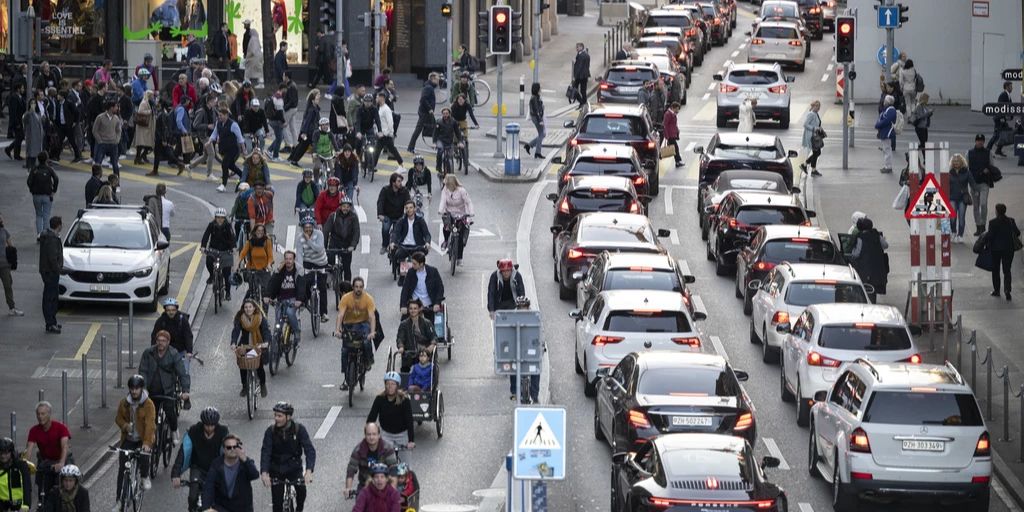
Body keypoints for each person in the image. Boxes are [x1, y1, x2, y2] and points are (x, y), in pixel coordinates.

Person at [260, 402, 315, 512]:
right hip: (276, 469)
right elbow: (266, 452)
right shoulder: (270, 432)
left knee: (301, 490)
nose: (276, 418)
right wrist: (264, 473)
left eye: (279, 416)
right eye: (275, 415)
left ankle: (299, 509)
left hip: (294, 468)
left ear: (288, 417)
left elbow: (309, 450)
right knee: (277, 505)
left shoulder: (299, 429)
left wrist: (309, 471)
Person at [138, 330, 191, 444]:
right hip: (152, 390)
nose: (161, 343)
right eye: (159, 340)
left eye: (164, 341)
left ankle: (174, 430)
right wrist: (144, 388)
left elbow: (182, 373)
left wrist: (185, 390)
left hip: (167, 390)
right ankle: (151, 436)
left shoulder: (173, 354)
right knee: (151, 414)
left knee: (170, 412)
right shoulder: (148, 353)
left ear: (168, 342)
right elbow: (143, 370)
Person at [171, 407, 227, 512]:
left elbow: (230, 454)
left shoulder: (223, 433)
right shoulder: (194, 431)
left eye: (212, 425)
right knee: (193, 495)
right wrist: (175, 474)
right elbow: (183, 453)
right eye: (207, 425)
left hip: (216, 470)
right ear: (203, 423)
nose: (209, 428)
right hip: (198, 468)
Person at [114, 374, 155, 508]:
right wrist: (125, 426)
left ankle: (144, 477)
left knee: (144, 455)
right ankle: (119, 501)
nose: (134, 391)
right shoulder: (124, 403)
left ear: (141, 389)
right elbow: (118, 419)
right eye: (132, 388)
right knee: (122, 469)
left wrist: (147, 443)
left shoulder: (148, 404)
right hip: (129, 439)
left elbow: (150, 425)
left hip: (142, 439)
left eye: (137, 388)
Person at [23, 401, 70, 505]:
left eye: (43, 414)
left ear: (49, 414)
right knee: (42, 487)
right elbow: (29, 448)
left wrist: (61, 463)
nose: (40, 416)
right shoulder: (34, 430)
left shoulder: (61, 428)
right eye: (38, 414)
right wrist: (25, 463)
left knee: (65, 485)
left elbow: (65, 447)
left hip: (60, 460)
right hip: (46, 462)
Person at [335, 276, 377, 390]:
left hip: (363, 324)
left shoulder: (368, 299)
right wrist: (337, 330)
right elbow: (340, 315)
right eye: (356, 287)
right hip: (348, 325)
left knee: (366, 342)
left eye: (361, 287)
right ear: (352, 287)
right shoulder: (346, 298)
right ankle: (346, 377)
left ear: (363, 288)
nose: (358, 289)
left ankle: (368, 360)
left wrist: (372, 332)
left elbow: (372, 317)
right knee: (345, 350)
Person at [202, 434, 259, 512]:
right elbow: (209, 486)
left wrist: (245, 459)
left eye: (235, 447)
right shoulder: (217, 464)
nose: (232, 449)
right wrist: (206, 508)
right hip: (223, 507)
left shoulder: (245, 462)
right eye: (229, 447)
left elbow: (255, 475)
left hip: (243, 508)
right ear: (224, 450)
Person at [344, 423, 399, 498]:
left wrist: (392, 489)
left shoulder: (387, 448)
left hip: (384, 486)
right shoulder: (358, 450)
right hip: (365, 485)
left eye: (374, 434)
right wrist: (348, 488)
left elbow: (393, 469)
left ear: (379, 435)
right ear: (365, 435)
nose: (371, 437)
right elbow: (351, 469)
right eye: (369, 434)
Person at [264, 251, 306, 346]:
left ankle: (296, 332)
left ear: (293, 260)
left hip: (293, 299)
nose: (288, 261)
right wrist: (267, 295)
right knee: (278, 321)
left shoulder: (299, 270)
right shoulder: (280, 269)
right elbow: (272, 283)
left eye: (290, 259)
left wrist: (299, 300)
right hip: (281, 299)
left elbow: (302, 286)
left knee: (290, 313)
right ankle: (276, 343)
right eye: (286, 259)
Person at [231, 299, 271, 396]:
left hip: (258, 344)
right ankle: (244, 386)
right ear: (243, 309)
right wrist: (233, 342)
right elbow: (236, 331)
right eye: (246, 307)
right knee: (243, 365)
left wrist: (266, 342)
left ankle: (262, 384)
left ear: (254, 308)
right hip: (245, 345)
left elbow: (266, 331)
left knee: (259, 366)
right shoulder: (241, 318)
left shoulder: (260, 318)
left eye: (250, 307)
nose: (248, 309)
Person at [367, 371, 415, 450]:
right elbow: (371, 418)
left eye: (393, 384)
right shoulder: (379, 399)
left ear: (397, 386)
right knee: (383, 461)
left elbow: (409, 420)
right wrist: (369, 436)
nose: (390, 386)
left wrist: (411, 441)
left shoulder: (404, 400)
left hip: (402, 435)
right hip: (386, 435)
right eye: (387, 384)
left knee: (406, 462)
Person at [295, 216, 330, 322]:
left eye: (310, 227)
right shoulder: (299, 238)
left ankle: (323, 313)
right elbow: (299, 254)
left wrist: (309, 240)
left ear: (313, 227)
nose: (308, 229)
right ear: (302, 228)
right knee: (305, 282)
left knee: (322, 287)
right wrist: (300, 269)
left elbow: (319, 249)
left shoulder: (319, 234)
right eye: (306, 227)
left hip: (320, 262)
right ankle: (304, 301)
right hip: (308, 262)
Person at [985, 203, 1021, 300]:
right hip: (1008, 249)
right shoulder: (1011, 221)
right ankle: (1007, 290)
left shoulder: (992, 222)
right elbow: (1017, 233)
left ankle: (997, 290)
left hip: (996, 250)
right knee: (1007, 270)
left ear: (997, 211)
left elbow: (990, 237)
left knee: (995, 270)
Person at [850, 217, 889, 303]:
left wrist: (852, 251)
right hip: (878, 268)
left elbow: (856, 253)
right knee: (873, 289)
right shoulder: (877, 235)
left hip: (866, 269)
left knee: (866, 287)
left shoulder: (860, 238)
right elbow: (885, 245)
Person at [150, 297, 194, 371]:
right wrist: (154, 351)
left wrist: (189, 351)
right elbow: (154, 336)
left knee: (184, 373)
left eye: (173, 310)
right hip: (166, 352)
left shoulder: (183, 320)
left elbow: (188, 336)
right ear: (165, 310)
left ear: (177, 310)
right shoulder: (161, 321)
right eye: (168, 310)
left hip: (180, 351)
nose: (171, 312)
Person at [201, 208, 236, 300]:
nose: (220, 219)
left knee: (227, 273)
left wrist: (233, 247)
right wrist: (203, 246)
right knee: (209, 261)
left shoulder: (228, 226)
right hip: (214, 250)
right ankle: (212, 276)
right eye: (218, 217)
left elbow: (232, 237)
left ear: (225, 218)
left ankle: (228, 292)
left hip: (225, 250)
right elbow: (206, 235)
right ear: (215, 218)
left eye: (222, 218)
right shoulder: (211, 225)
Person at [323, 198, 360, 285]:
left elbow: (356, 233)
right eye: (343, 206)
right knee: (330, 262)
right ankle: (330, 274)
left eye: (347, 207)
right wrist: (324, 247)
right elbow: (325, 231)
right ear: (340, 207)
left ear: (350, 207)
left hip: (347, 245)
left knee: (347, 267)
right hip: (334, 243)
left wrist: (352, 245)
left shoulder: (353, 217)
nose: (345, 208)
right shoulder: (333, 216)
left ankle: (347, 287)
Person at [438, 174, 474, 261]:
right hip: (449, 212)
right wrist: (440, 210)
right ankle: (446, 241)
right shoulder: (445, 190)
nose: (447, 187)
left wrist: (471, 212)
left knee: (461, 235)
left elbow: (468, 202)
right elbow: (443, 201)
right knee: (446, 226)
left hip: (461, 213)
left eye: (449, 185)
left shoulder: (462, 191)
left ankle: (459, 258)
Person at [968, 133, 998, 236]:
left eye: (982, 140)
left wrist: (988, 170)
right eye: (978, 140)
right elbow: (967, 169)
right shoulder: (969, 153)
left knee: (983, 204)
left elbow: (992, 166)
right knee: (976, 206)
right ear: (975, 141)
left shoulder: (988, 153)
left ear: (984, 142)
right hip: (974, 184)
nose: (980, 142)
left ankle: (983, 225)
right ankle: (978, 226)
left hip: (984, 183)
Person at [396, 299, 437, 372]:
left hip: (424, 353)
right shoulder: (403, 324)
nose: (413, 310)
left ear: (419, 309)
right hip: (410, 353)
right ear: (408, 310)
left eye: (415, 308)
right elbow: (400, 338)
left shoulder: (427, 323)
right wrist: (401, 347)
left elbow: (433, 337)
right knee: (405, 369)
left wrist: (432, 345)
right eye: (411, 308)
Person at [399, 252, 444, 319]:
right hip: (414, 304)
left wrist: (437, 303)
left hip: (429, 305)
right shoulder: (410, 272)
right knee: (404, 324)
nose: (412, 265)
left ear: (421, 264)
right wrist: (403, 305)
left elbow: (440, 288)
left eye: (414, 264)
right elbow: (405, 289)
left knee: (431, 326)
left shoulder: (433, 271)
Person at [211, 108, 246, 192]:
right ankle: (243, 176)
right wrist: (209, 142)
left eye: (221, 115)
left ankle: (223, 185)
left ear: (226, 115)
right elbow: (214, 133)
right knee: (231, 165)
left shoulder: (233, 124)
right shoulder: (218, 123)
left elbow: (240, 138)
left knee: (224, 164)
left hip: (233, 149)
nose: (219, 117)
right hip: (223, 148)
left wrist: (244, 150)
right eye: (218, 115)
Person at [39, 217, 63, 334]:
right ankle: (50, 323)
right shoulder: (52, 239)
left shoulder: (47, 236)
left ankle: (52, 321)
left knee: (50, 297)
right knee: (51, 298)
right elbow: (53, 258)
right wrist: (58, 270)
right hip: (51, 273)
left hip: (47, 271)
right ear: (58, 225)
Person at [26, 153, 58, 240]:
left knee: (38, 215)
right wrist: (54, 190)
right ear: (47, 159)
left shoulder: (34, 169)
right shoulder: (49, 169)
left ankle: (39, 234)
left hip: (36, 195)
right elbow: (56, 179)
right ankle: (45, 234)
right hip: (47, 195)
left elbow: (29, 181)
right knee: (46, 215)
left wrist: (32, 190)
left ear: (38, 159)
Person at [377, 173, 411, 254]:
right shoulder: (385, 190)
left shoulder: (404, 191)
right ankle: (384, 246)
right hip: (387, 215)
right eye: (398, 181)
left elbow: (408, 202)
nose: (400, 183)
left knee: (398, 232)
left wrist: (409, 212)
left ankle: (398, 246)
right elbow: (380, 202)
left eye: (401, 181)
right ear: (393, 182)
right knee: (385, 229)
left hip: (399, 216)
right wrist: (380, 214)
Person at [239, 224, 274, 299]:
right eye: (258, 230)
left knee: (266, 292)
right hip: (252, 270)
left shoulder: (267, 241)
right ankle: (245, 307)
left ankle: (264, 308)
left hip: (264, 270)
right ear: (254, 231)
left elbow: (270, 256)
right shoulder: (250, 242)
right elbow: (242, 254)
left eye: (262, 231)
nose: (260, 232)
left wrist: (269, 264)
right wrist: (237, 264)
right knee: (251, 291)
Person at [407, 73, 439, 153]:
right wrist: (429, 109)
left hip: (425, 112)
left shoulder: (429, 87)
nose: (438, 81)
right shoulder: (428, 88)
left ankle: (437, 145)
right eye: (437, 80)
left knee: (434, 128)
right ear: (432, 79)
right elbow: (423, 99)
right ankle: (411, 148)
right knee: (434, 128)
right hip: (425, 113)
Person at [948, 154, 975, 243]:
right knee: (952, 217)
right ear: (952, 163)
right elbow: (945, 185)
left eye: (958, 161)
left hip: (962, 198)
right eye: (954, 161)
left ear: (962, 162)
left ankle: (960, 235)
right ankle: (953, 233)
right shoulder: (949, 173)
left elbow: (972, 183)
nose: (956, 163)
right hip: (952, 198)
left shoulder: (967, 172)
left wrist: (975, 192)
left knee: (961, 217)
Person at [0, 437, 32, 512]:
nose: (3, 456)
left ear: (12, 452)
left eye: (6, 453)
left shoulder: (21, 465)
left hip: (19, 504)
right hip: (2, 504)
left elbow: (26, 486)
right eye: (1, 453)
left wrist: (26, 505)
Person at [0, 213, 22, 317]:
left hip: (4, 264)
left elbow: (11, 247)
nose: (1, 219)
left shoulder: (4, 231)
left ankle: (12, 308)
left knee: (8, 286)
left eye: (1, 217)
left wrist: (12, 262)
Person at [433, 107, 463, 176]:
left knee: (450, 156)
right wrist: (434, 143)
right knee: (440, 152)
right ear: (442, 114)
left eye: (447, 113)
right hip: (441, 141)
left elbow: (457, 132)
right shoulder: (438, 121)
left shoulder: (453, 122)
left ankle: (450, 170)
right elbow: (435, 133)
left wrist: (460, 141)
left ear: (449, 114)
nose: (445, 115)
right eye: (444, 113)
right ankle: (439, 167)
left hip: (449, 141)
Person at [376, 92, 403, 167]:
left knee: (378, 151)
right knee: (391, 150)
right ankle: (401, 165)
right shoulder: (380, 108)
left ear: (381, 98)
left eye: (377, 97)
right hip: (382, 134)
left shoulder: (386, 109)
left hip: (385, 135)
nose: (376, 99)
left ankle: (371, 166)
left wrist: (386, 133)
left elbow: (390, 123)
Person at [987, 81, 1013, 157]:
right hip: (999, 119)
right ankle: (987, 151)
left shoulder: (1007, 95)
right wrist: (1002, 118)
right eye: (1011, 86)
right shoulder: (1003, 95)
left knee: (1005, 134)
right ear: (1007, 87)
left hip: (1003, 119)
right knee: (996, 135)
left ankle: (998, 150)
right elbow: (1000, 107)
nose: (1012, 88)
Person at [875, 95, 898, 174]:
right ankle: (887, 166)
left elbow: (886, 121)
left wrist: (878, 125)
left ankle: (888, 167)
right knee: (886, 149)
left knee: (887, 149)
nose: (884, 102)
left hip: (887, 132)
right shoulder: (888, 109)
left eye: (885, 100)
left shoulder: (890, 110)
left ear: (888, 102)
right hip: (885, 131)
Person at [132, 90, 156, 165]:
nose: (153, 97)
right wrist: (149, 112)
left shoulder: (150, 103)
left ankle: (143, 156)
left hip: (148, 126)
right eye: (152, 95)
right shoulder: (144, 103)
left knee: (148, 144)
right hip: (143, 126)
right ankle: (138, 158)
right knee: (141, 143)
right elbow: (140, 112)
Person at [800, 100, 823, 177]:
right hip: (811, 137)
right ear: (813, 106)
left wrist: (819, 128)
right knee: (816, 152)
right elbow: (805, 124)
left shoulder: (816, 114)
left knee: (817, 152)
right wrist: (814, 128)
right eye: (817, 106)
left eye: (819, 106)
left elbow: (817, 123)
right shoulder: (811, 114)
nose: (818, 108)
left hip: (815, 136)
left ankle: (805, 165)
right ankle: (812, 169)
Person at [22, 93, 44, 170]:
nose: (33, 105)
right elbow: (24, 121)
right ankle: (29, 167)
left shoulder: (38, 114)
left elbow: (40, 124)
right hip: (31, 136)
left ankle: (33, 167)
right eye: (32, 103)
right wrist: (30, 111)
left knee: (36, 153)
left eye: (34, 103)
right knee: (30, 152)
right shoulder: (27, 114)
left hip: (38, 136)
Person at [5, 83, 26, 161]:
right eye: (22, 88)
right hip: (17, 121)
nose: (23, 90)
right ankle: (16, 154)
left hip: (21, 121)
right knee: (19, 137)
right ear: (18, 89)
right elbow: (13, 111)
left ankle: (9, 149)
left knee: (19, 137)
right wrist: (16, 123)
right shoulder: (14, 97)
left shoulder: (20, 97)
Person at [524, 83, 546, 159]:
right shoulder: (534, 98)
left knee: (542, 134)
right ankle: (537, 153)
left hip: (537, 117)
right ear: (537, 89)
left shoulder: (536, 97)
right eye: (540, 88)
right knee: (541, 134)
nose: (541, 89)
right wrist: (540, 120)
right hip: (537, 118)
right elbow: (536, 110)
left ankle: (529, 145)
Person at [281, 72, 301, 151]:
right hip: (293, 108)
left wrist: (284, 108)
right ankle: (296, 144)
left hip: (290, 109)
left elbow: (291, 101)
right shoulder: (292, 85)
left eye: (283, 76)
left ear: (286, 77)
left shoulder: (290, 86)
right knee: (292, 127)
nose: (282, 77)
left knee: (283, 125)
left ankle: (288, 145)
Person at [662, 101, 681, 168]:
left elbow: (674, 124)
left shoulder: (672, 114)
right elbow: (665, 125)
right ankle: (678, 161)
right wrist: (666, 136)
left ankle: (678, 161)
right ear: (673, 108)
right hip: (670, 135)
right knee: (675, 148)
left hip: (672, 134)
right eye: (677, 109)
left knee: (675, 148)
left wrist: (677, 130)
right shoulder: (668, 114)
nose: (678, 111)